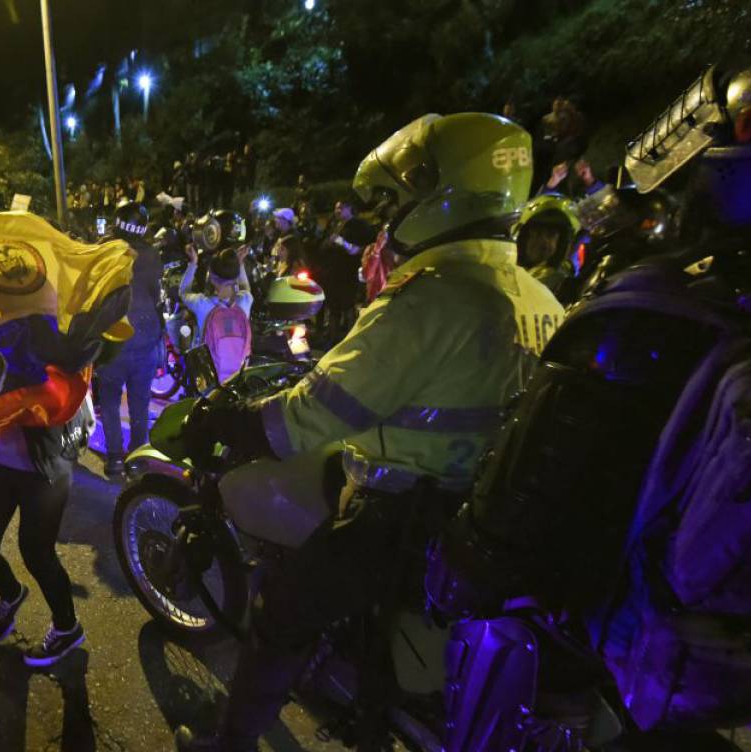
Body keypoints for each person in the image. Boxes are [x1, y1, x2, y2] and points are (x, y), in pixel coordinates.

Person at [428, 40, 751, 751]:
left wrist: (462, 567)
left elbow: (527, 489)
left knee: (500, 653)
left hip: (672, 670)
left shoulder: (664, 306)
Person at [175, 112, 563, 751]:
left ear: (440, 194)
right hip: (483, 507)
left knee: (280, 616)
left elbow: (309, 416)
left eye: (397, 201)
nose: (388, 218)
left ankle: (230, 743)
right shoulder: (537, 296)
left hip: (403, 515)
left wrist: (231, 421)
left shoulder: (428, 298)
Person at [0, 405, 94, 668]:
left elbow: (72, 385)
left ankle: (67, 628)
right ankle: (11, 593)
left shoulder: (66, 363)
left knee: (37, 553)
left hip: (47, 464)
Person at [96, 201, 164, 479]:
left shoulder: (103, 249)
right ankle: (137, 459)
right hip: (145, 337)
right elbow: (156, 295)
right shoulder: (151, 255)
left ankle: (114, 458)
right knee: (140, 401)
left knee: (110, 400)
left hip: (113, 337)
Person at [317, 199, 373, 346]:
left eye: (340, 208)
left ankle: (352, 338)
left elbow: (356, 249)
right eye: (336, 208)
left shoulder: (357, 226)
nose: (337, 211)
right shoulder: (336, 225)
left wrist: (340, 241)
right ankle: (332, 338)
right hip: (333, 273)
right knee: (333, 306)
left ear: (349, 208)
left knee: (348, 306)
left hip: (347, 273)